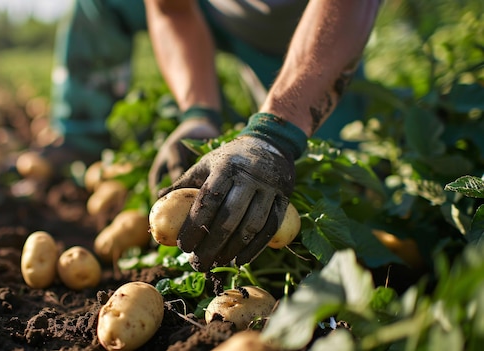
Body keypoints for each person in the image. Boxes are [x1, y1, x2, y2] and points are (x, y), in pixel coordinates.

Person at [49, 0, 381, 271]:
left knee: (346, 178)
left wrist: (274, 135)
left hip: (313, 25)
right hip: (210, 11)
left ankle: (261, 112)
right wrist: (198, 114)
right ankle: (82, 135)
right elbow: (172, 8)